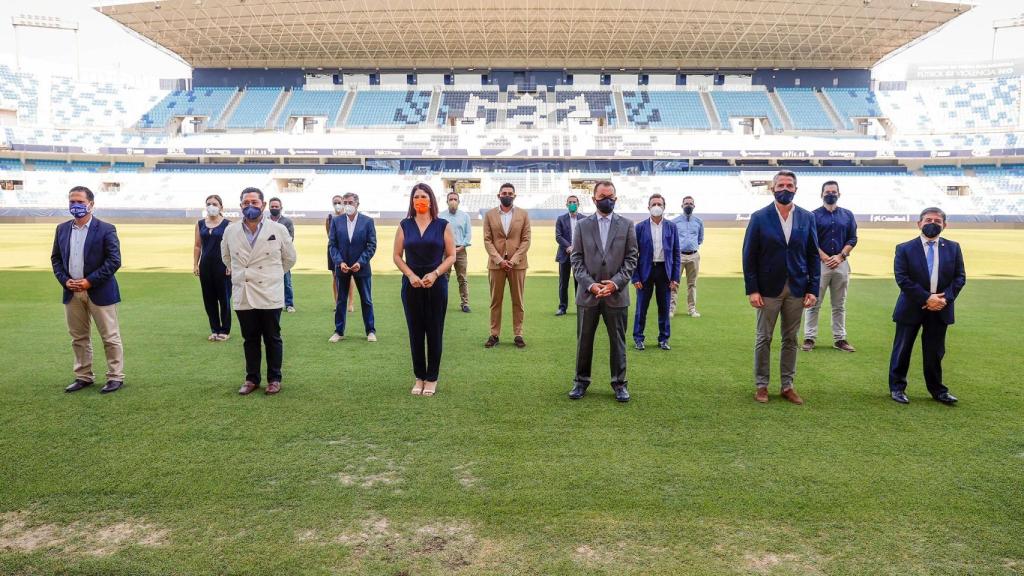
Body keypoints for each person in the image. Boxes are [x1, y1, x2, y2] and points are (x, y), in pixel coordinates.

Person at [742, 170, 820, 405]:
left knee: (790, 339)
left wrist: (813, 289)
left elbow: (812, 255)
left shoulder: (807, 218)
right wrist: (752, 289)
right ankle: (761, 385)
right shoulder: (759, 217)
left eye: (789, 185)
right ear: (773, 188)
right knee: (763, 338)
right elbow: (749, 255)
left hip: (797, 287)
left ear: (796, 188)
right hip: (767, 288)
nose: (785, 189)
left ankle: (787, 385)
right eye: (781, 185)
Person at [221, 187, 297, 396]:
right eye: (246, 203)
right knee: (250, 338)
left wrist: (272, 275)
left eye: (255, 202)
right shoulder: (231, 230)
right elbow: (226, 258)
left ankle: (274, 379)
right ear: (241, 206)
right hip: (244, 291)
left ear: (263, 205)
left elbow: (289, 258)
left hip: (269, 291)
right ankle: (251, 378)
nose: (250, 206)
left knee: (272, 337)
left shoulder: (278, 229)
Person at [568, 181, 639, 403]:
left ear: (615, 199)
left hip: (616, 294)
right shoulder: (582, 225)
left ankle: (619, 383)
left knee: (618, 341)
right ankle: (581, 381)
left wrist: (614, 283)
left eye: (610, 196)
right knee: (584, 340)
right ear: (594, 199)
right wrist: (591, 284)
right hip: (588, 294)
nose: (606, 200)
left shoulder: (627, 225)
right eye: (602, 196)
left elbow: (631, 258)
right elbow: (576, 259)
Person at [50, 186, 125, 394]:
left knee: (110, 336)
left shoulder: (106, 229)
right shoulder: (62, 229)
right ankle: (83, 376)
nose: (75, 205)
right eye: (72, 201)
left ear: (91, 204)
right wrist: (65, 281)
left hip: (99, 291)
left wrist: (89, 282)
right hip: (72, 292)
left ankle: (115, 376)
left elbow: (114, 261)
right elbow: (56, 259)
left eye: (80, 202)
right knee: (78, 337)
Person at [888, 207, 966, 405]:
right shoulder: (904, 248)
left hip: (940, 308)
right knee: (902, 349)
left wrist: (943, 299)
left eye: (937, 221)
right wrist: (926, 298)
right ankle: (897, 388)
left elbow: (959, 277)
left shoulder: (953, 247)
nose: (932, 223)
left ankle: (937, 390)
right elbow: (902, 279)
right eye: (928, 220)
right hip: (911, 307)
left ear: (944, 225)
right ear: (919, 223)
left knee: (935, 352)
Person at [393, 183, 457, 397]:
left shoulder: (443, 225)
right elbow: (396, 255)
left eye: (424, 196)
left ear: (431, 200)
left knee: (434, 331)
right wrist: (410, 275)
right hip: (411, 285)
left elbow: (451, 256)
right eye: (416, 196)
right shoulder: (404, 225)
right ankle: (419, 376)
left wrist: (436, 273)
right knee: (415, 332)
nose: (420, 199)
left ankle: (432, 378)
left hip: (436, 283)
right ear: (412, 201)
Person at [803, 181, 857, 352]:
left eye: (833, 191)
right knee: (813, 302)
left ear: (839, 194)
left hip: (841, 263)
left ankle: (839, 339)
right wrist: (826, 258)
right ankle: (809, 337)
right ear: (822, 194)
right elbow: (809, 240)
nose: (830, 194)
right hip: (819, 264)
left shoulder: (847, 215)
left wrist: (841, 256)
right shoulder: (813, 216)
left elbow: (852, 238)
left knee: (839, 304)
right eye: (827, 191)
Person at [482, 183, 531, 348]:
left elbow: (526, 240)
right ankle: (494, 334)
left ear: (514, 196)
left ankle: (518, 334)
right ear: (499, 195)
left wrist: (514, 259)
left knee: (518, 300)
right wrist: (499, 260)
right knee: (496, 301)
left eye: (510, 193)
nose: (507, 195)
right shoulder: (489, 215)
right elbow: (487, 240)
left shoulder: (523, 215)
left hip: (517, 265)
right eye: (504, 193)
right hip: (496, 265)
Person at [632, 194, 680, 351]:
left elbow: (676, 253)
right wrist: (635, 277)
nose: (656, 206)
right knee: (641, 308)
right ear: (648, 207)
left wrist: (675, 277)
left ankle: (664, 338)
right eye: (654, 204)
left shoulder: (672, 227)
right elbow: (632, 254)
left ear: (664, 207)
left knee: (664, 308)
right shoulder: (640, 227)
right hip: (645, 271)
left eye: (659, 203)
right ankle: (638, 338)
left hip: (664, 272)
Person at [328, 193, 377, 342]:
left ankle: (370, 331)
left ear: (357, 204)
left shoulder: (367, 221)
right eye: (345, 202)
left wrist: (360, 262)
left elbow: (372, 245)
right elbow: (332, 245)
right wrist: (339, 262)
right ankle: (339, 331)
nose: (347, 205)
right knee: (341, 300)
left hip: (361, 268)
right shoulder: (336, 222)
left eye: (350, 202)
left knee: (366, 300)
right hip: (342, 267)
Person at [193, 194, 232, 341]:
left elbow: (232, 247)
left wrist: (230, 265)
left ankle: (225, 330)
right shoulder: (200, 224)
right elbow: (197, 246)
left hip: (222, 266)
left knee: (224, 298)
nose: (211, 206)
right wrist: (195, 264)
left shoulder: (228, 224)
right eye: (209, 203)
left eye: (215, 204)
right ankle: (214, 329)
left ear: (221, 207)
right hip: (205, 266)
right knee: (209, 299)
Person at [438, 190, 472, 313]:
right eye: (450, 199)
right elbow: (437, 234)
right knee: (443, 278)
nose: (453, 201)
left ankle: (465, 303)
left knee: (462, 278)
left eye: (455, 199)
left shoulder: (465, 216)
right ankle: (442, 303)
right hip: (445, 251)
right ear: (447, 201)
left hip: (460, 250)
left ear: (458, 201)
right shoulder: (440, 216)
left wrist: (461, 247)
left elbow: (468, 234)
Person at [669, 195, 703, 318]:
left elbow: (700, 239)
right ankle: (671, 309)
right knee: (674, 283)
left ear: (694, 206)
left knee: (692, 284)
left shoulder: (699, 222)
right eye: (686, 203)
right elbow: (671, 239)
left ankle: (692, 309)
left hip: (694, 256)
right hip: (678, 256)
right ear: (682, 205)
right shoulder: (675, 222)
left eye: (690, 203)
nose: (688, 205)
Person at [554, 194, 584, 316]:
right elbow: (558, 236)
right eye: (570, 202)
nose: (572, 204)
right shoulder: (561, 219)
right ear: (566, 204)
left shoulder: (584, 219)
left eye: (574, 202)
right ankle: (562, 307)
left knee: (580, 282)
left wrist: (575, 247)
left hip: (580, 256)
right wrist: (568, 246)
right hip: (564, 255)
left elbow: (586, 237)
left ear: (578, 204)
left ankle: (580, 306)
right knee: (563, 282)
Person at [326, 195, 355, 313]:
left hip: (347, 250)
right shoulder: (329, 218)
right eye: (335, 202)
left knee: (350, 275)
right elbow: (329, 235)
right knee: (335, 276)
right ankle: (337, 302)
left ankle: (350, 303)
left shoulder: (348, 217)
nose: (337, 204)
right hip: (333, 250)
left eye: (339, 202)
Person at [268, 197, 296, 313]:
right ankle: (270, 303)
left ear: (281, 208)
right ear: (269, 207)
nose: (274, 208)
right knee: (267, 281)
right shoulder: (265, 221)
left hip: (282, 257)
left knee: (286, 281)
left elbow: (290, 239)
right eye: (272, 206)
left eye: (276, 206)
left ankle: (289, 304)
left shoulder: (287, 222)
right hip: (267, 257)